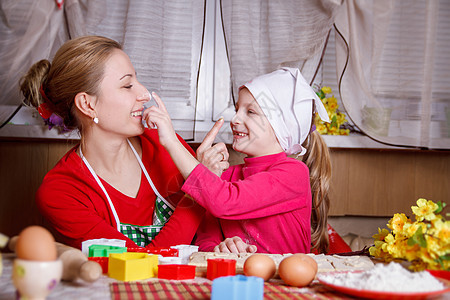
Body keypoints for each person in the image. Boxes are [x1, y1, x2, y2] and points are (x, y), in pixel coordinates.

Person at [19, 35, 228, 250]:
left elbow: (208, 225)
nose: (144, 94)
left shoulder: (164, 144)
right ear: (87, 104)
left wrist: (226, 240)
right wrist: (198, 191)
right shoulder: (61, 193)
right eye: (127, 86)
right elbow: (139, 264)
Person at [144, 67, 332, 254]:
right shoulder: (225, 177)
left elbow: (225, 201)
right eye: (237, 109)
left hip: (283, 284)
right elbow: (205, 238)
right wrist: (219, 248)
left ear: (281, 126)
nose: (234, 119)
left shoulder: (293, 173)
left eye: (250, 112)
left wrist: (170, 141)